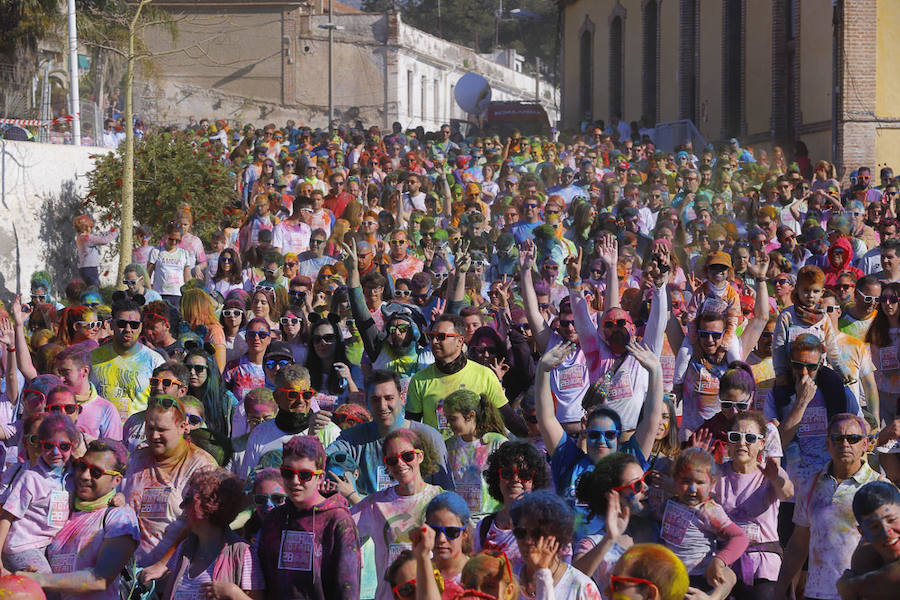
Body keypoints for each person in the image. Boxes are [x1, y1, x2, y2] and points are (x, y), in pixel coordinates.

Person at [775, 413, 883, 600]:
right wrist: (781, 586)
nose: (845, 444)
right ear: (827, 444)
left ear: (865, 445)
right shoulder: (809, 485)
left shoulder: (880, 487)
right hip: (816, 593)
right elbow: (799, 542)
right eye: (837, 438)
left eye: (853, 438)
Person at [25, 440, 139, 600]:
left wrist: (42, 580)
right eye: (82, 466)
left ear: (117, 481)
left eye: (96, 472)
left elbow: (100, 579)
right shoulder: (65, 511)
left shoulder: (120, 518)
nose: (85, 476)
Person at [122, 395, 217, 570]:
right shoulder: (136, 459)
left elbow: (199, 524)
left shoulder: (201, 466)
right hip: (129, 570)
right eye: (150, 428)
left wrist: (162, 565)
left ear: (182, 427)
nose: (154, 436)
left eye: (162, 429)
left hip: (172, 572)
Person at [327, 369, 452, 497]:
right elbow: (321, 459)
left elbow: (446, 493)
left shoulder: (429, 437)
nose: (382, 406)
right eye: (375, 399)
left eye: (389, 398)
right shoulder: (351, 439)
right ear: (367, 402)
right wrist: (313, 431)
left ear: (402, 398)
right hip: (369, 514)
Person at [352, 428, 445, 600]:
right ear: (386, 464)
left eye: (407, 456)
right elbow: (339, 529)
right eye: (392, 460)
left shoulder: (441, 500)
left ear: (420, 456)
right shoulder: (375, 504)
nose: (400, 463)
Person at [713, 411, 793, 600]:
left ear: (761, 444)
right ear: (728, 443)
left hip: (764, 564)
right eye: (735, 437)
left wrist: (776, 480)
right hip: (724, 561)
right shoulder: (716, 474)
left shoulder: (770, 472)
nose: (742, 443)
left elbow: (787, 491)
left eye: (749, 438)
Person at [406, 314, 526, 437]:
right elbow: (412, 427)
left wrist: (533, 441)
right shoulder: (419, 380)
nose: (434, 341)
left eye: (441, 337)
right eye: (431, 336)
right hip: (439, 453)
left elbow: (508, 418)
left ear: (460, 341)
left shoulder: (484, 375)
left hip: (476, 453)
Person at [157, 468, 264, 600]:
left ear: (207, 504)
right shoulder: (183, 549)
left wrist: (233, 593)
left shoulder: (242, 553)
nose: (181, 506)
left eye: (187, 499)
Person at [657, 448, 749, 591]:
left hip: (697, 580)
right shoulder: (672, 502)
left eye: (700, 482)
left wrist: (720, 561)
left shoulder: (708, 510)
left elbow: (740, 537)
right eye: (686, 481)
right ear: (675, 480)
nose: (692, 489)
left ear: (711, 484)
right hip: (670, 576)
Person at [0, 414, 78, 573]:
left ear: (73, 446)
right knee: (47, 583)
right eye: (49, 446)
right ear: (41, 446)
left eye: (64, 446)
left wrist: (119, 498)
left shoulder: (74, 474)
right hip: (23, 545)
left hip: (51, 545)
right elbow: (6, 517)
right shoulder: (30, 477)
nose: (56, 452)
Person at [238, 364, 340, 479]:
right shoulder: (260, 433)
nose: (301, 401)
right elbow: (246, 482)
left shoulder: (329, 431)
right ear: (277, 396)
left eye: (306, 394)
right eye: (293, 394)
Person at [510, 490, 602, 600]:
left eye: (536, 534)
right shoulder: (506, 580)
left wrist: (542, 573)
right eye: (521, 533)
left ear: (558, 536)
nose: (528, 541)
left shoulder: (581, 587)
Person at [90, 299, 164, 422]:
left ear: (140, 327)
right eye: (122, 323)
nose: (128, 329)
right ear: (111, 324)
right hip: (100, 435)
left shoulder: (155, 361)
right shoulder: (93, 358)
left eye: (134, 325)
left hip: (138, 437)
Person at [443, 390, 507, 518]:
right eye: (447, 418)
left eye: (453, 418)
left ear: (470, 416)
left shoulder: (496, 443)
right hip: (460, 517)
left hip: (491, 517)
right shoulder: (449, 446)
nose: (448, 424)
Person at [836, 480, 900, 600]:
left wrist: (851, 586)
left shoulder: (857, 579)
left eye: (891, 520)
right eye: (875, 526)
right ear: (862, 533)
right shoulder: (864, 557)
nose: (887, 533)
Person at [147, 221, 195, 306]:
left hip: (178, 295)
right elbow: (148, 274)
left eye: (177, 240)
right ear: (166, 236)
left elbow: (187, 277)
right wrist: (149, 292)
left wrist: (191, 293)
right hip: (160, 294)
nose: (173, 242)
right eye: (171, 239)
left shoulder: (184, 254)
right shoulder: (156, 251)